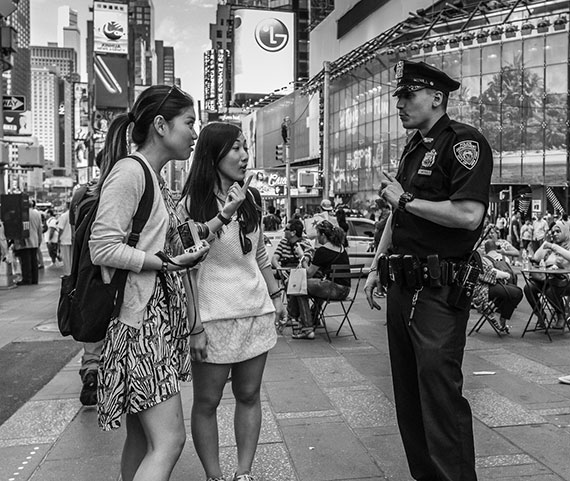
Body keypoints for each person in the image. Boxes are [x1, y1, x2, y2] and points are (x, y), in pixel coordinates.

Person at [364, 60, 493, 481]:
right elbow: (395, 218)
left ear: (437, 97)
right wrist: (375, 265)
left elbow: (469, 214)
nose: (399, 103)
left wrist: (404, 200)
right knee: (409, 397)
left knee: (439, 397)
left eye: (408, 94)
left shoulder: (464, 143)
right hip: (402, 286)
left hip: (438, 290)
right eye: (398, 95)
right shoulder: (414, 147)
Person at [89, 84, 209, 481]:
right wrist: (165, 262)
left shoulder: (152, 177)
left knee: (142, 441)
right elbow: (102, 247)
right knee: (170, 441)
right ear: (160, 125)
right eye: (189, 122)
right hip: (141, 327)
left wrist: (217, 221)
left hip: (152, 323)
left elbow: (162, 239)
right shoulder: (131, 172)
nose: (195, 132)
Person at [178, 122, 286, 481]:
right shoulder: (192, 204)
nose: (244, 155)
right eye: (235, 148)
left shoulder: (251, 198)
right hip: (212, 317)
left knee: (250, 394)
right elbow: (187, 266)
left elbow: (259, 255)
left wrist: (276, 295)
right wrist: (194, 327)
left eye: (244, 147)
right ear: (213, 154)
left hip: (254, 311)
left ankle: (244, 473)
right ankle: (214, 476)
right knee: (207, 403)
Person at [287, 220, 350, 340]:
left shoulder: (323, 250)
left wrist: (302, 257)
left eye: (317, 234)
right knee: (315, 286)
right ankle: (313, 317)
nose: (317, 237)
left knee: (300, 286)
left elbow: (309, 273)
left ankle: (306, 327)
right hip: (345, 290)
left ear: (323, 235)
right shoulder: (341, 248)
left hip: (333, 289)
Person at [523, 220, 570, 329]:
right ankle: (540, 315)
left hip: (565, 282)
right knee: (528, 287)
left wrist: (554, 247)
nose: (555, 234)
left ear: (565, 232)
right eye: (553, 232)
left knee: (550, 291)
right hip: (547, 280)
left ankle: (561, 316)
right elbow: (536, 258)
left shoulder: (566, 245)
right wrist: (546, 243)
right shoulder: (551, 245)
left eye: (558, 231)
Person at [472, 239, 523, 332]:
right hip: (486, 289)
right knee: (517, 292)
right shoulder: (502, 258)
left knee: (516, 292)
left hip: (490, 286)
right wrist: (506, 275)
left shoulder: (483, 258)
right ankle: (502, 316)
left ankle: (494, 308)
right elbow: (490, 274)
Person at [12, 199, 43, 285]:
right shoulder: (37, 213)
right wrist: (40, 240)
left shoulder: (22, 213)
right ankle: (34, 279)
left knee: (26, 262)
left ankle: (27, 279)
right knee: (34, 261)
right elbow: (40, 228)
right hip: (35, 240)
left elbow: (19, 227)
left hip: (25, 241)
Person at [57, 203, 73, 276]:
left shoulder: (64, 216)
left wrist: (58, 238)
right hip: (72, 239)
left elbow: (60, 228)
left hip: (64, 239)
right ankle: (72, 273)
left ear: (66, 207)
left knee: (66, 258)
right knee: (72, 258)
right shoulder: (74, 215)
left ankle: (67, 273)